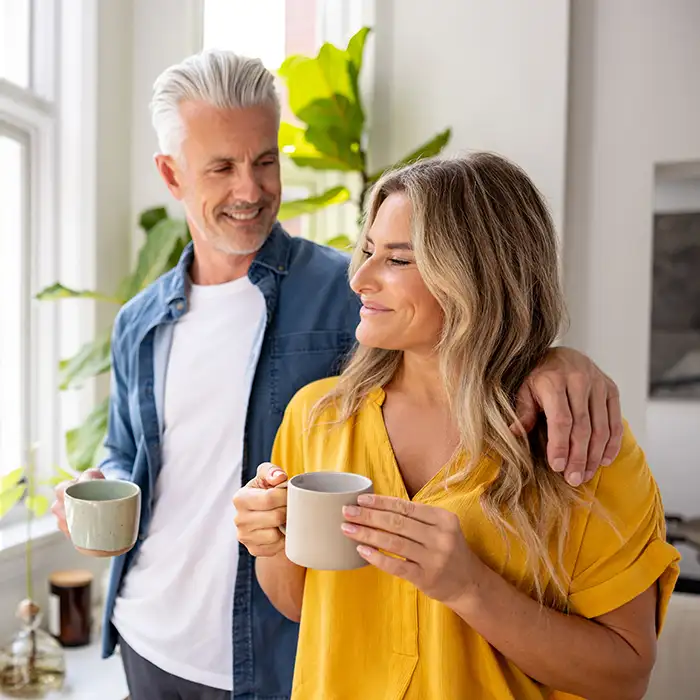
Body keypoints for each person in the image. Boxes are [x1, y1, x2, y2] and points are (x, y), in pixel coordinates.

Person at [51, 51, 624, 700]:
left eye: (265, 161)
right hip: (147, 635)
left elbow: (473, 318)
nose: (251, 189)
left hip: (272, 656)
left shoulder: (348, 293)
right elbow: (131, 452)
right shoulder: (139, 320)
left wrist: (557, 360)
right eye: (222, 167)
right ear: (171, 174)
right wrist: (103, 484)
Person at [235, 154, 681, 700]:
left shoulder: (580, 441)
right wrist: (271, 544)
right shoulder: (318, 417)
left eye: (397, 260)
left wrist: (470, 587)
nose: (359, 279)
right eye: (368, 250)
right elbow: (304, 604)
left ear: (478, 275)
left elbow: (625, 675)